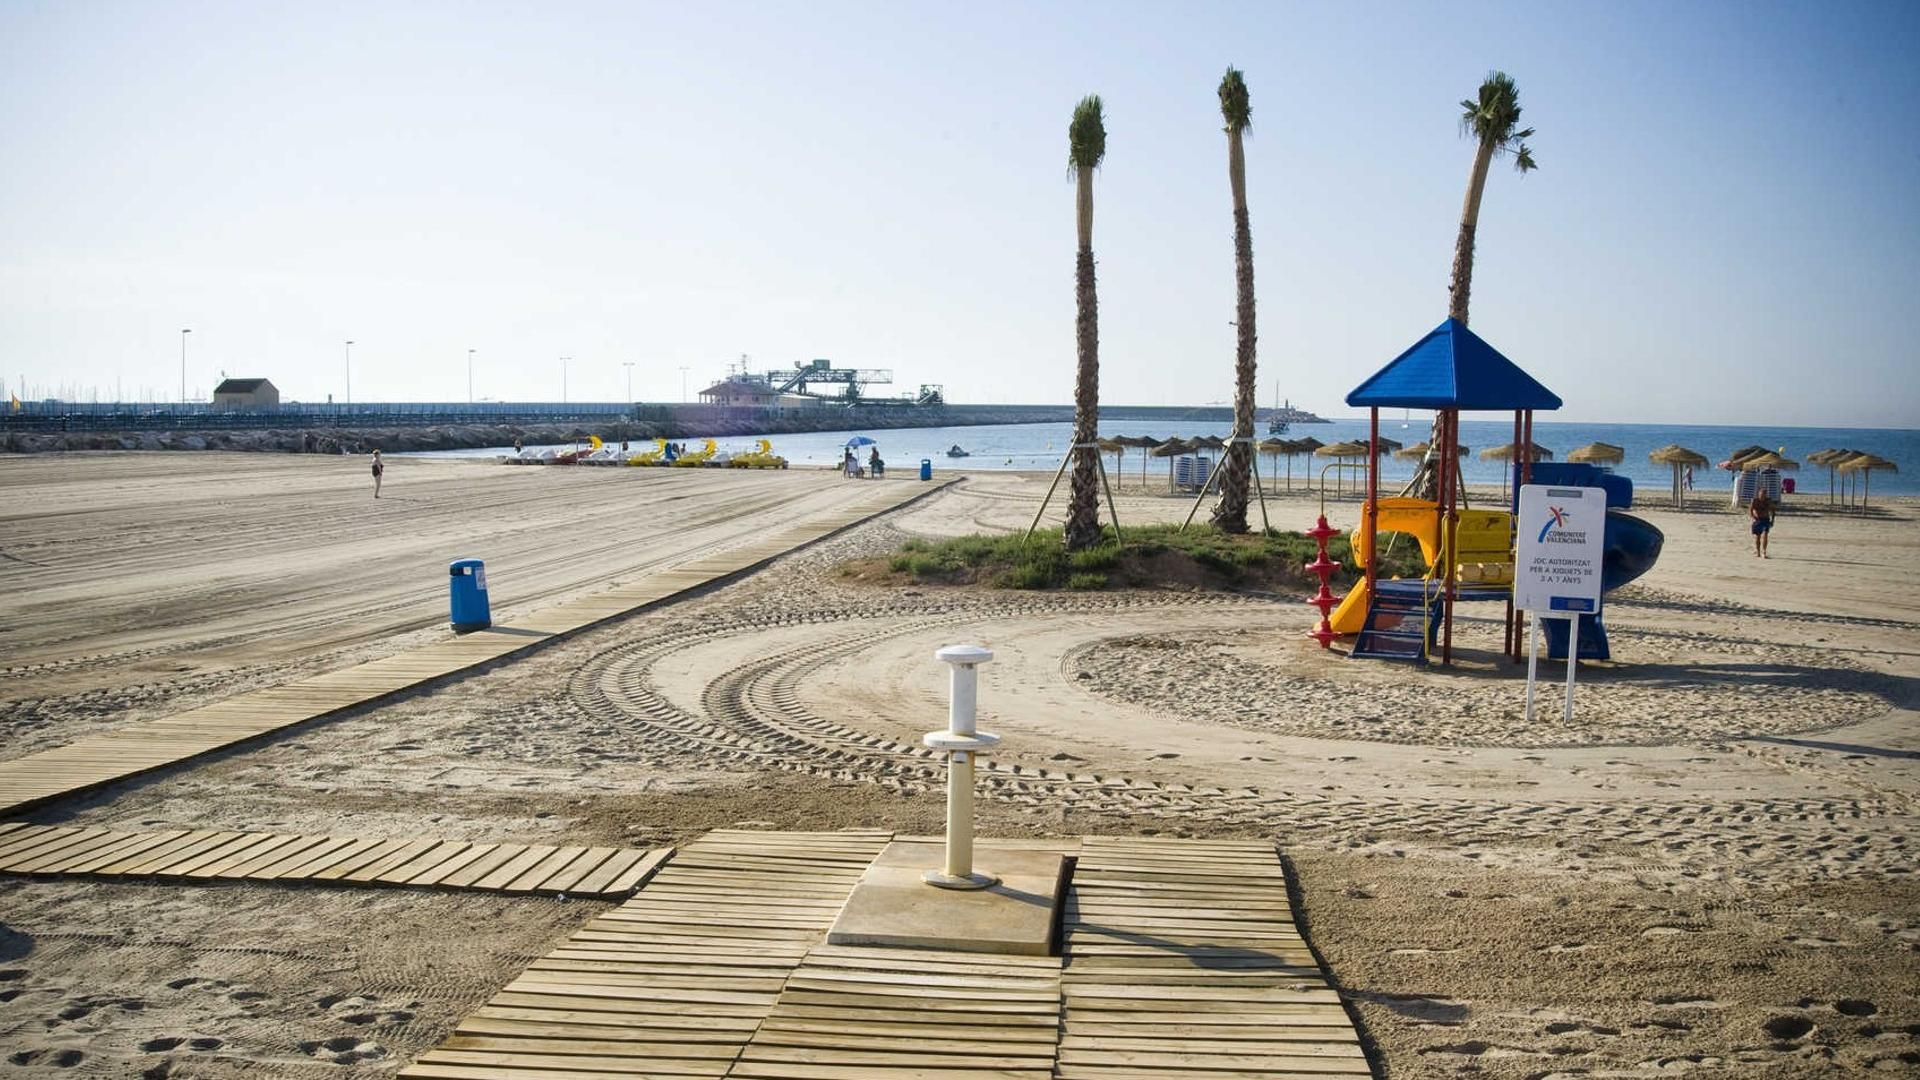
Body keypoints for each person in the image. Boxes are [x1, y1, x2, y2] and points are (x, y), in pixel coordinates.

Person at [1749, 488, 1775, 558]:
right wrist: (1753, 517)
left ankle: (1764, 551)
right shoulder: (1755, 501)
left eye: (1764, 495)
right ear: (1758, 494)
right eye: (1761, 495)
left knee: (1765, 535)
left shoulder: (1768, 501)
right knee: (1758, 536)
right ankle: (1758, 551)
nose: (1762, 496)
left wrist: (1772, 521)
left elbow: (1773, 511)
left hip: (1766, 519)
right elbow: (1750, 510)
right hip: (1758, 520)